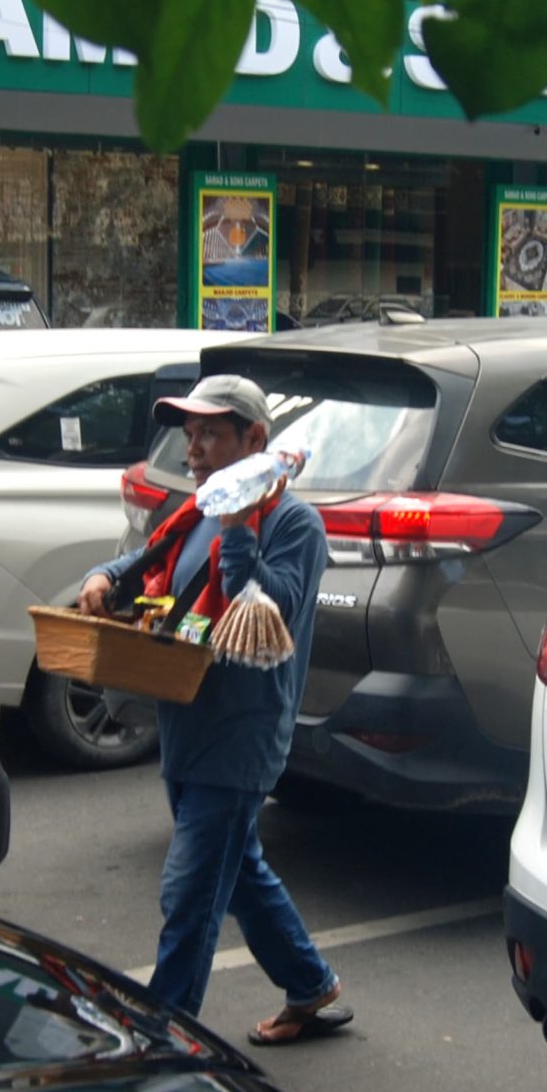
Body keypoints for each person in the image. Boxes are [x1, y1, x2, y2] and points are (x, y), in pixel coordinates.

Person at [75, 374, 345, 1043]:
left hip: (242, 734)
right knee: (239, 867)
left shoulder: (293, 524)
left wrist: (236, 521)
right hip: (186, 716)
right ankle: (310, 984)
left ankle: (163, 1044)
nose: (193, 449)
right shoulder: (197, 508)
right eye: (189, 434)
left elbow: (263, 607)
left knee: (190, 893)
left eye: (210, 434)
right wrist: (106, 575)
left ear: (255, 439)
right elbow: (156, 555)